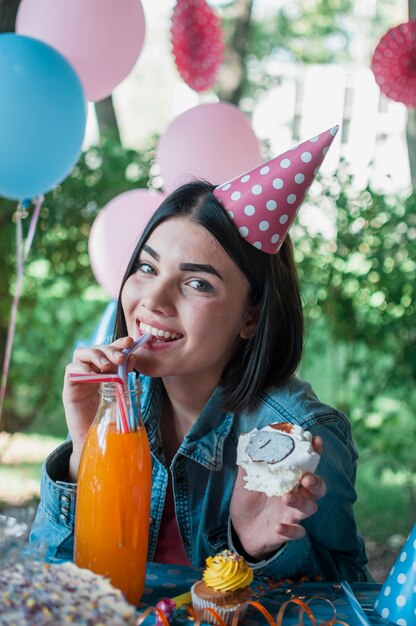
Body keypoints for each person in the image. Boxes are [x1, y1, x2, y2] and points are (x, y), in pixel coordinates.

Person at [30, 126, 371, 582]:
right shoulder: (121, 401)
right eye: (147, 268)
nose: (154, 300)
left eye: (197, 283)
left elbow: (351, 592)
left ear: (251, 317)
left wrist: (253, 555)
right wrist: (86, 454)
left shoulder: (299, 436)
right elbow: (49, 578)